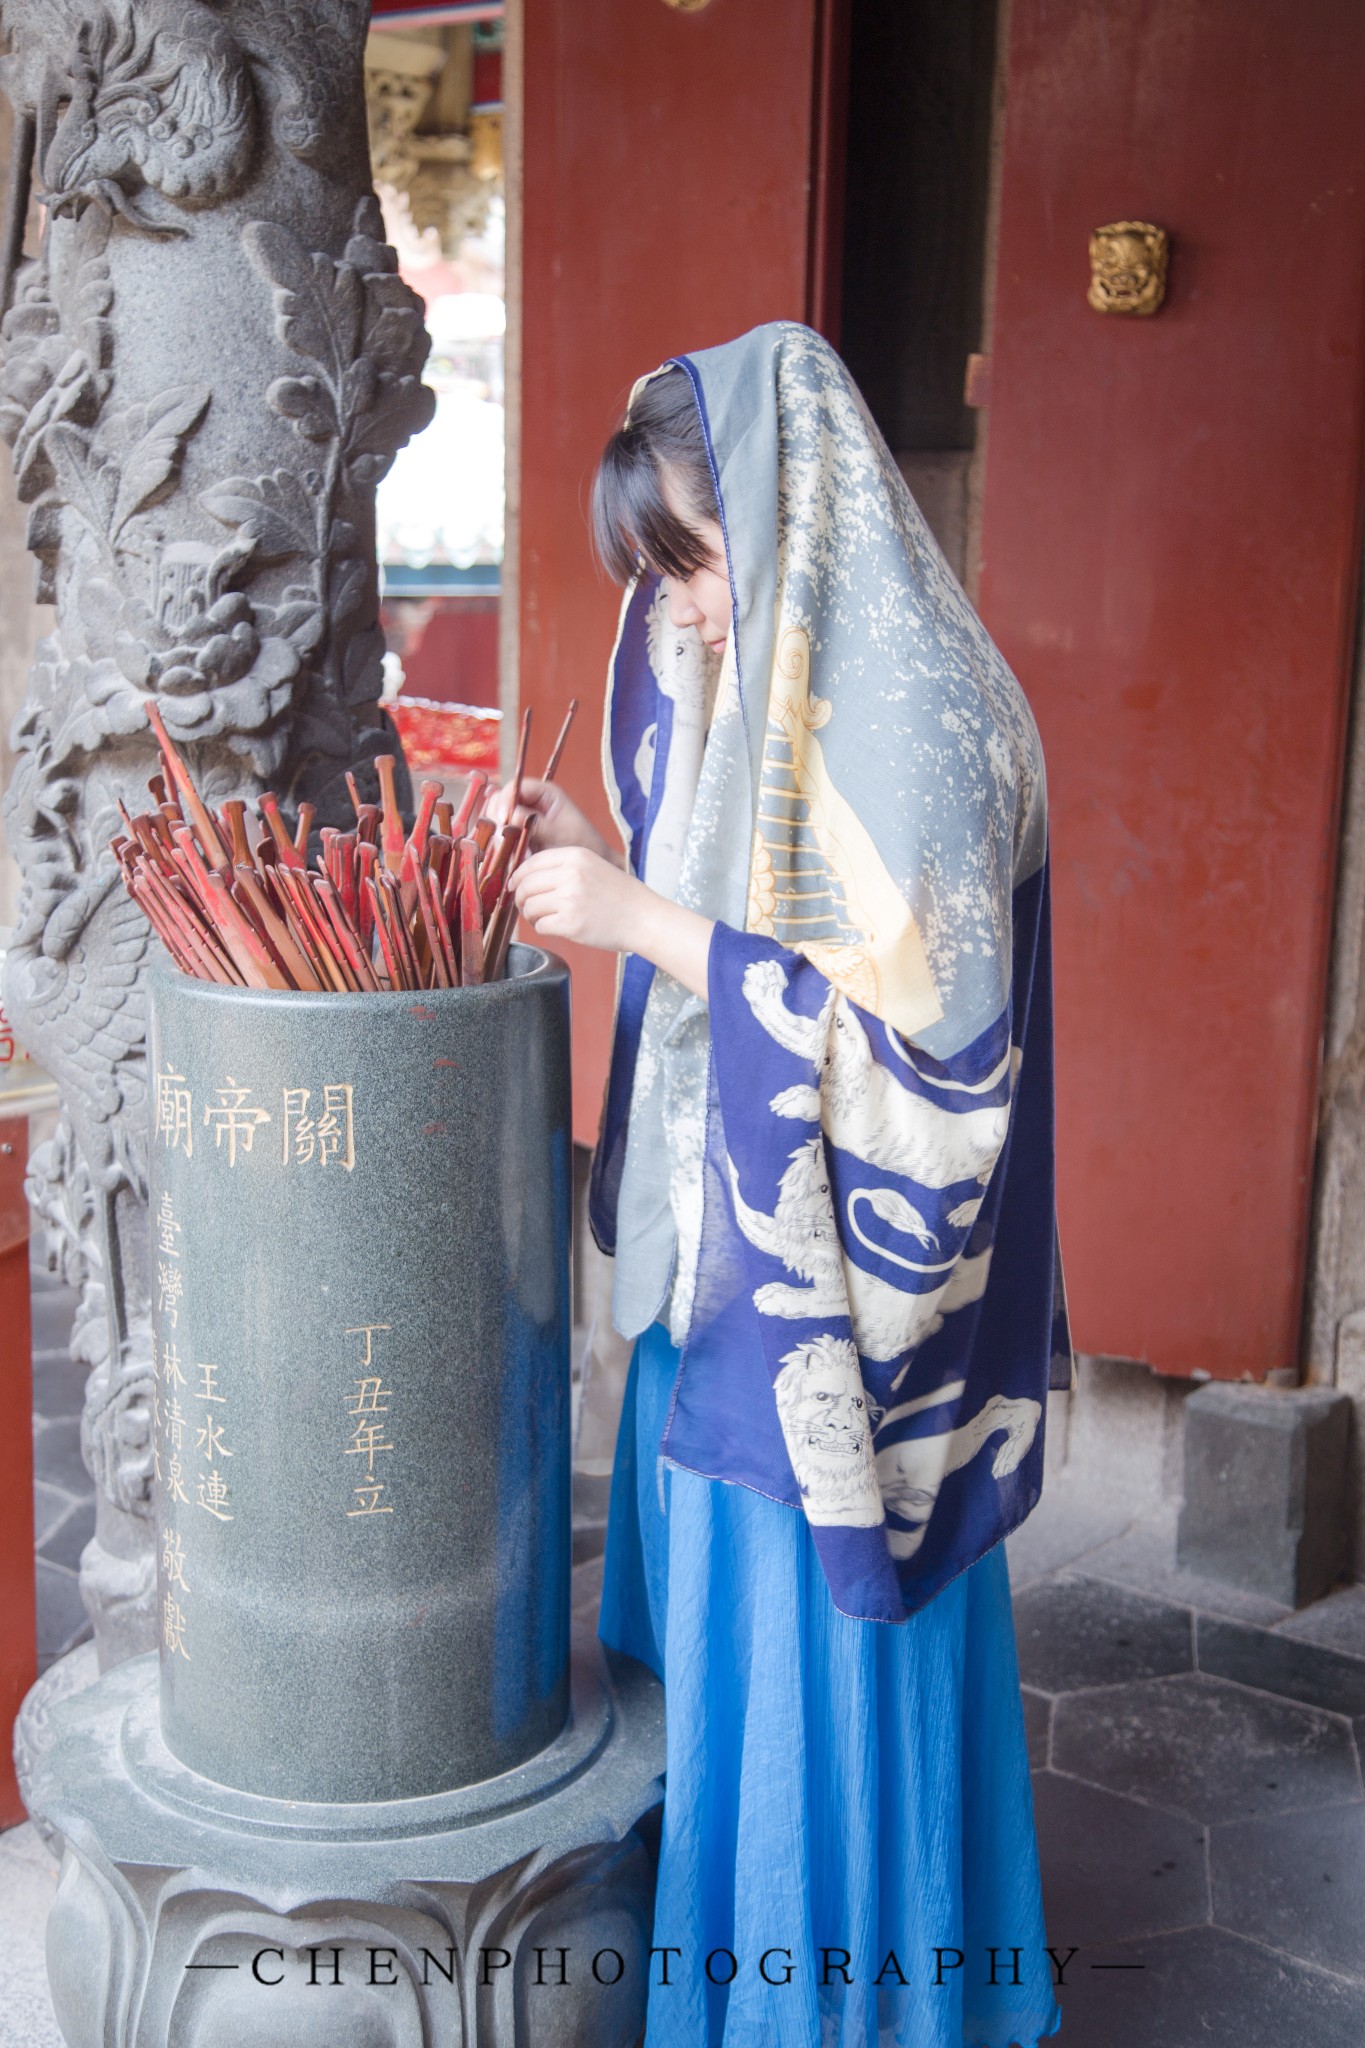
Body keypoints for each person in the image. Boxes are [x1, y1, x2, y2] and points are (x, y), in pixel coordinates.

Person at [506, 322, 1068, 2048]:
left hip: (847, 1323)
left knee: (825, 1681)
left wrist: (646, 927)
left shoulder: (918, 716)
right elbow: (748, 949)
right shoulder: (757, 674)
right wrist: (609, 866)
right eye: (654, 574)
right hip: (737, 1269)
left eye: (692, 562)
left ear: (788, 506)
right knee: (743, 1699)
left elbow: (927, 1061)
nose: (672, 608)